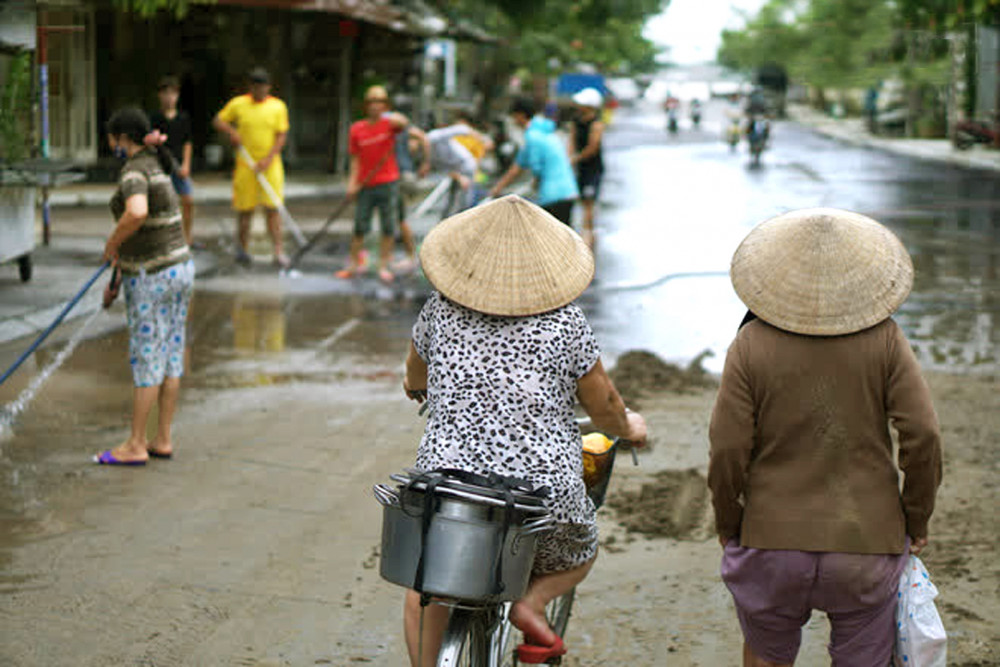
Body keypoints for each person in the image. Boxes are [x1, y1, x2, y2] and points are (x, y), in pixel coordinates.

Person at [401, 195, 647, 666]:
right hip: (540, 495)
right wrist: (629, 425)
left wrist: (418, 386)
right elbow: (606, 407)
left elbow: (415, 378)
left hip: (448, 488)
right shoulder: (567, 323)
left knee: (425, 591)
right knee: (582, 548)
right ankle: (532, 605)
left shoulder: (439, 310)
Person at [708, 208, 943, 667]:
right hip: (867, 544)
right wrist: (917, 518)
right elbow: (923, 435)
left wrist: (727, 520)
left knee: (766, 655)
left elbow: (728, 448)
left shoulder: (750, 343)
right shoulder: (887, 340)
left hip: (769, 540)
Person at [95, 107, 194, 466]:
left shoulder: (135, 170)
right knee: (169, 353)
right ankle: (162, 438)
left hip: (152, 277)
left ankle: (136, 443)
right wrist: (118, 273)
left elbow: (136, 213)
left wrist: (110, 245)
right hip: (179, 269)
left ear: (122, 139)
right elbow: (147, 226)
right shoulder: (157, 163)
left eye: (112, 138)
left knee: (148, 355)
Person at [336, 85, 429, 283]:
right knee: (360, 226)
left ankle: (383, 266)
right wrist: (352, 184)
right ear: (366, 105)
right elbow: (355, 160)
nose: (375, 106)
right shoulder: (357, 129)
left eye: (380, 102)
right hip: (365, 185)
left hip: (388, 183)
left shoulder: (390, 125)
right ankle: (353, 264)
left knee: (388, 227)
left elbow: (405, 124)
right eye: (372, 101)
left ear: (385, 105)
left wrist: (392, 116)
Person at [212, 67, 290, 268]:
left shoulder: (278, 106)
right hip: (245, 164)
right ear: (251, 87)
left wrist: (268, 158)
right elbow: (218, 121)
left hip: (270, 165)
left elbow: (281, 135)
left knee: (272, 209)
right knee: (244, 210)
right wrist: (231, 132)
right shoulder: (239, 104)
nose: (259, 90)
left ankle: (278, 252)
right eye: (256, 86)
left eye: (263, 86)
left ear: (268, 87)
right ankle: (243, 251)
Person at [489, 97, 579, 226]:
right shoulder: (542, 131)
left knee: (551, 240)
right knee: (562, 237)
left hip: (553, 195)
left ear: (520, 115)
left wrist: (498, 191)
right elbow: (517, 167)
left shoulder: (532, 136)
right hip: (568, 190)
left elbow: (536, 168)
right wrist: (497, 190)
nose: (514, 121)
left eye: (514, 117)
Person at [150, 75, 196, 246]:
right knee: (162, 203)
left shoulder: (183, 118)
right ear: (160, 96)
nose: (169, 97)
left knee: (188, 201)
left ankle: (187, 237)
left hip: (179, 166)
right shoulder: (154, 118)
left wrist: (186, 165)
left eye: (172, 94)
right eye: (165, 93)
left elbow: (187, 143)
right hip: (161, 166)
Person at [426, 111, 493, 217]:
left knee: (464, 200)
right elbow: (442, 167)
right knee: (453, 198)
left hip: (466, 167)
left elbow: (462, 128)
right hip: (455, 169)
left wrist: (484, 139)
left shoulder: (433, 136)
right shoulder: (425, 153)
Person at [568, 88, 605, 249]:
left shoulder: (596, 124)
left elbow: (593, 147)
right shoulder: (576, 121)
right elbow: (572, 141)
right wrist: (570, 158)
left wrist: (576, 158)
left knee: (589, 201)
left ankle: (588, 234)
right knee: (583, 201)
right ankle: (586, 232)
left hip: (592, 168)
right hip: (580, 167)